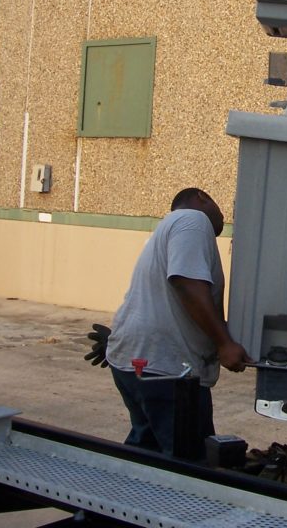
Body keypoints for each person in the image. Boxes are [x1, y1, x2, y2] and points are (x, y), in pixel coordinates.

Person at [103, 187, 252, 455]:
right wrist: (224, 343)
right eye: (221, 209)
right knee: (188, 467)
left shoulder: (166, 228)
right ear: (202, 198)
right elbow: (186, 282)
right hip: (169, 371)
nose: (224, 218)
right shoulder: (192, 220)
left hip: (138, 364)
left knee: (147, 457)